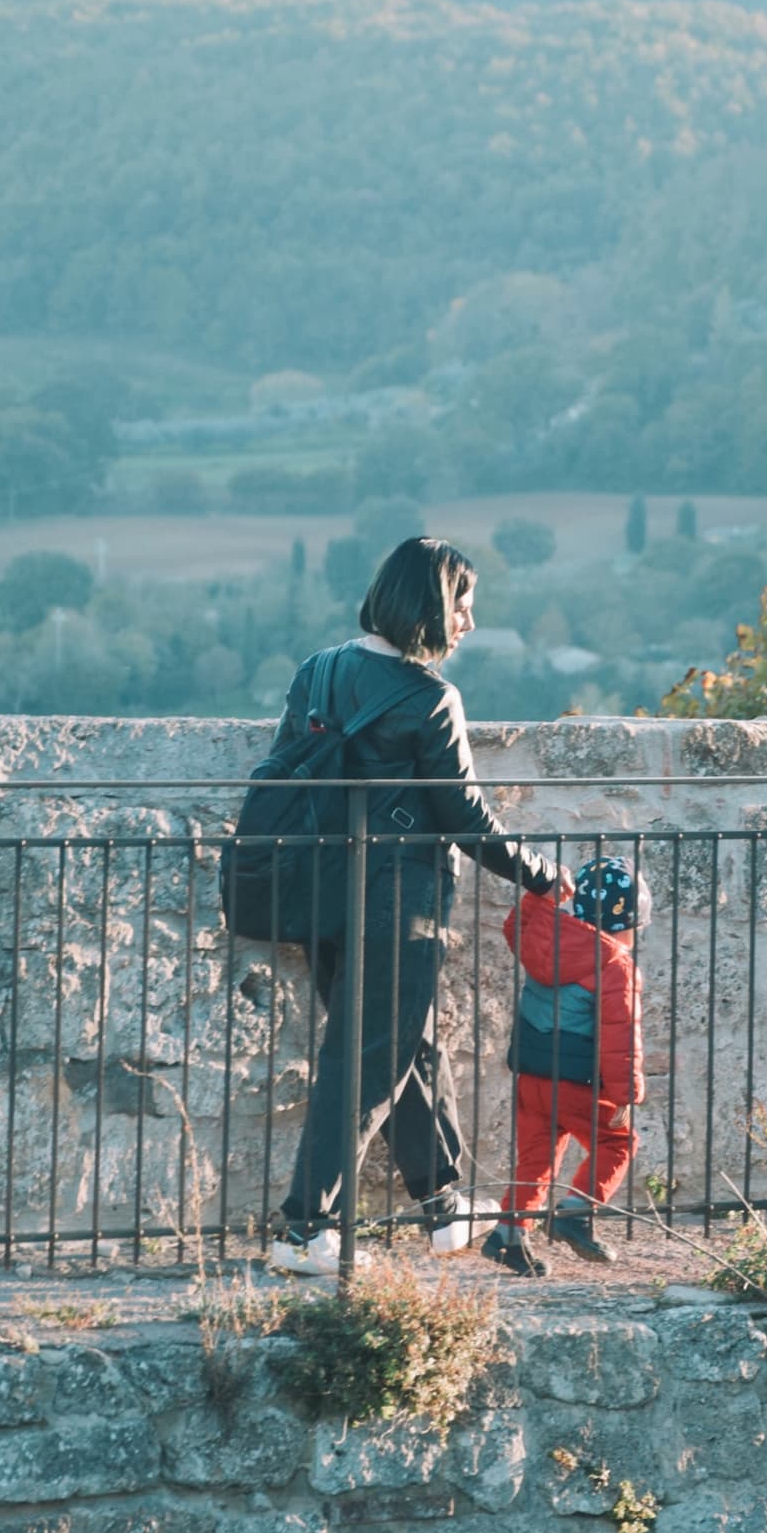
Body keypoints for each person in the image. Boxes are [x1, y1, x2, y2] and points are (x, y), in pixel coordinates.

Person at [270, 536, 572, 1275]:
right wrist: (541, 875)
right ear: (433, 605)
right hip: (400, 903)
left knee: (413, 1046)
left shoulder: (318, 672)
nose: (469, 622)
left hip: (324, 893)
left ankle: (443, 1206)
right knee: (367, 1064)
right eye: (463, 605)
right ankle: (304, 1230)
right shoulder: (431, 698)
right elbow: (466, 819)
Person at [484, 855, 649, 1277]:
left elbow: (514, 929)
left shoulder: (544, 937)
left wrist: (541, 896)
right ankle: (575, 1213)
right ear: (629, 922)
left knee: (536, 1157)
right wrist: (626, 1095)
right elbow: (620, 1035)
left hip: (532, 1074)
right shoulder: (615, 964)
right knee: (617, 1143)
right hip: (579, 1082)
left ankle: (508, 1235)